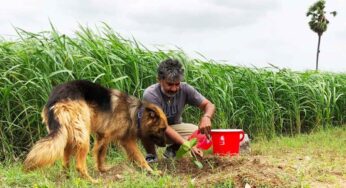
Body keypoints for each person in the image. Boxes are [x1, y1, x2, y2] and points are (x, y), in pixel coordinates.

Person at [142, 58, 216, 162]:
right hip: (155, 129)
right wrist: (188, 145)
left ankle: (172, 150)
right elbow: (164, 126)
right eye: (169, 84)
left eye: (177, 84)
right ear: (159, 80)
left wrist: (206, 117)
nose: (174, 89)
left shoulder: (185, 89)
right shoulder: (151, 94)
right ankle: (151, 156)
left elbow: (209, 105)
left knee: (200, 133)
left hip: (174, 127)